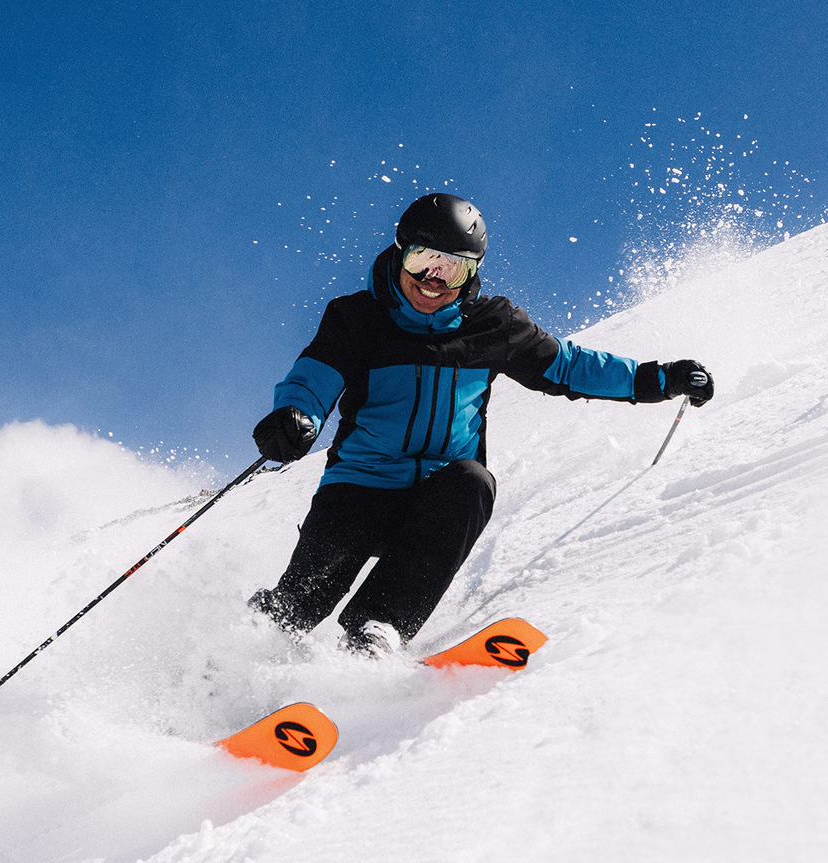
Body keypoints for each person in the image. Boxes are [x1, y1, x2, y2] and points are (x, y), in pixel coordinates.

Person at [248, 193, 713, 656]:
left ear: (472, 272)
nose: (434, 280)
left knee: (473, 482)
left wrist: (659, 379)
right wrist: (294, 417)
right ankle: (239, 653)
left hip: (437, 500)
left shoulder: (494, 324)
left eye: (453, 268)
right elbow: (314, 378)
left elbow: (569, 366)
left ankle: (378, 630)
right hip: (359, 488)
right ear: (399, 252)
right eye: (423, 260)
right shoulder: (356, 319)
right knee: (297, 607)